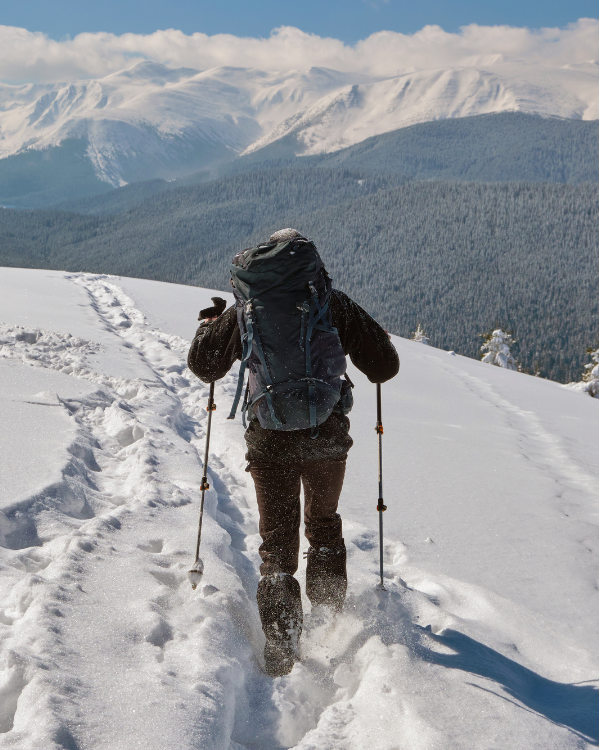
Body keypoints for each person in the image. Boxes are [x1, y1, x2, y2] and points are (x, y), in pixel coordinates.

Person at [188, 228, 399, 676]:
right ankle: (330, 624)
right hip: (326, 438)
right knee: (323, 526)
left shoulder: (248, 309)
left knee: (277, 549)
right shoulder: (330, 302)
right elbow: (384, 366)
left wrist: (209, 325)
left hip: (269, 442)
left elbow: (203, 365)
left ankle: (283, 655)